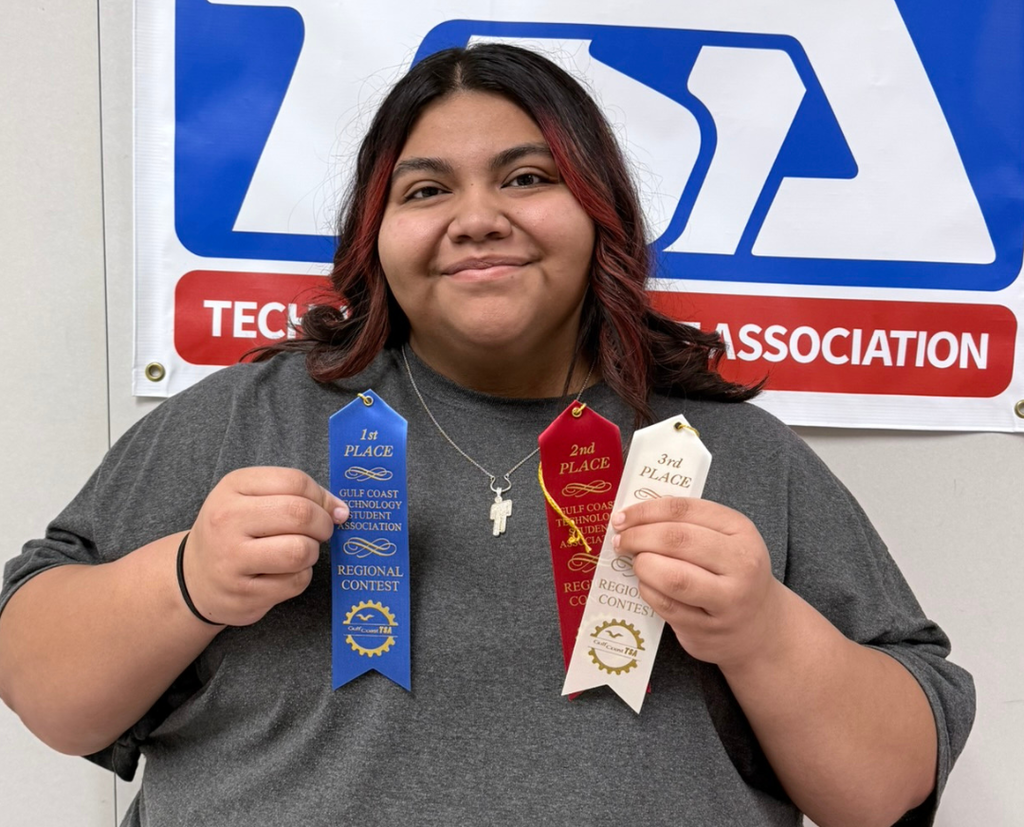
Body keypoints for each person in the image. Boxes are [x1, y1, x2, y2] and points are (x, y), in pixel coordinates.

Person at [0, 43, 973, 826]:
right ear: (372, 240)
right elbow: (41, 683)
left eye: (526, 176)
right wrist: (186, 580)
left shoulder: (738, 455)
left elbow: (884, 790)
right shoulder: (245, 418)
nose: (476, 218)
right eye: (425, 191)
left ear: (602, 214)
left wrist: (764, 629)